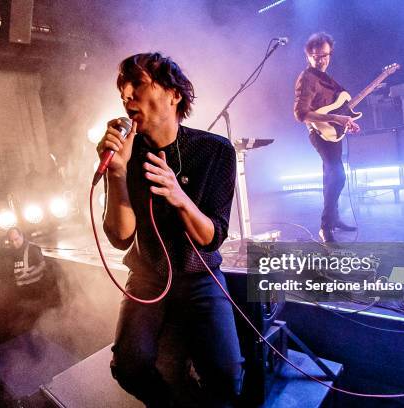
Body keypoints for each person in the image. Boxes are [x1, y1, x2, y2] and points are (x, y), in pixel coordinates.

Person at [97, 52, 243, 407]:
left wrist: (180, 197)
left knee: (227, 376)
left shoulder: (215, 151)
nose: (127, 95)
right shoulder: (126, 154)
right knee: (129, 367)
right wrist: (116, 174)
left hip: (199, 274)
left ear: (174, 94)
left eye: (138, 84)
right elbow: (120, 238)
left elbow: (212, 237)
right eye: (123, 90)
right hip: (148, 276)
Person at [293, 32, 360, 243]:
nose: (321, 60)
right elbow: (300, 114)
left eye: (325, 55)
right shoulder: (307, 78)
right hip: (319, 133)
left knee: (329, 178)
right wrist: (335, 118)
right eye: (316, 56)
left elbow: (338, 108)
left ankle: (335, 218)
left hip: (333, 132)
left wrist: (346, 121)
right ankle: (325, 226)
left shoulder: (327, 79)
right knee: (338, 176)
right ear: (308, 56)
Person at [4, 227, 50, 334]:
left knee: (39, 315)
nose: (14, 243)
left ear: (22, 236)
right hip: (22, 291)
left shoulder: (32, 248)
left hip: (35, 289)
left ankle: (44, 332)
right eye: (11, 241)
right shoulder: (11, 252)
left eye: (16, 239)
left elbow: (42, 265)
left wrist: (28, 275)